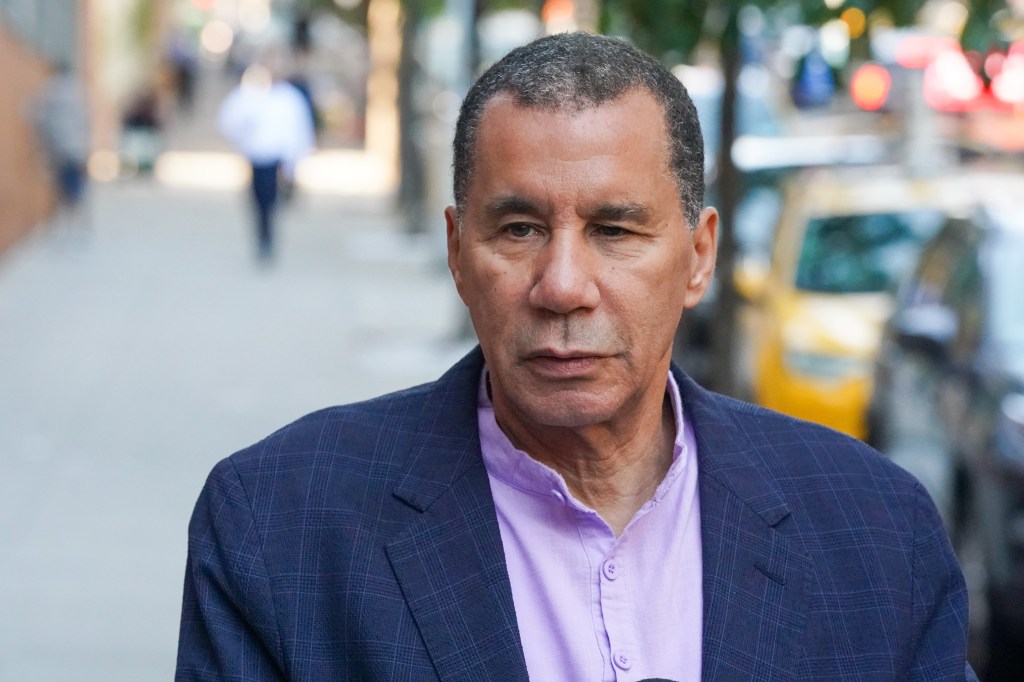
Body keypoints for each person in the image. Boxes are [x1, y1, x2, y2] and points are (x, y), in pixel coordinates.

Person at [177, 33, 976, 681]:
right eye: (519, 229)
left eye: (615, 231)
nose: (562, 286)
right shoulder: (279, 525)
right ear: (459, 253)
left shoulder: (876, 530)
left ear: (699, 258)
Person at [218, 54, 315, 262]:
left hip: (277, 157)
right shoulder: (250, 95)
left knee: (271, 198)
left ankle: (267, 235)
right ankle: (262, 233)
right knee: (258, 198)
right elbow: (229, 121)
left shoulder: (289, 98)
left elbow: (299, 130)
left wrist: (295, 161)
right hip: (256, 155)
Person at [33, 64, 91, 232]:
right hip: (73, 150)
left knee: (65, 187)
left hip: (61, 150)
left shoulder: (52, 92)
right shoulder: (77, 92)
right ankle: (71, 223)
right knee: (71, 187)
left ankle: (68, 223)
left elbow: (40, 117)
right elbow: (84, 123)